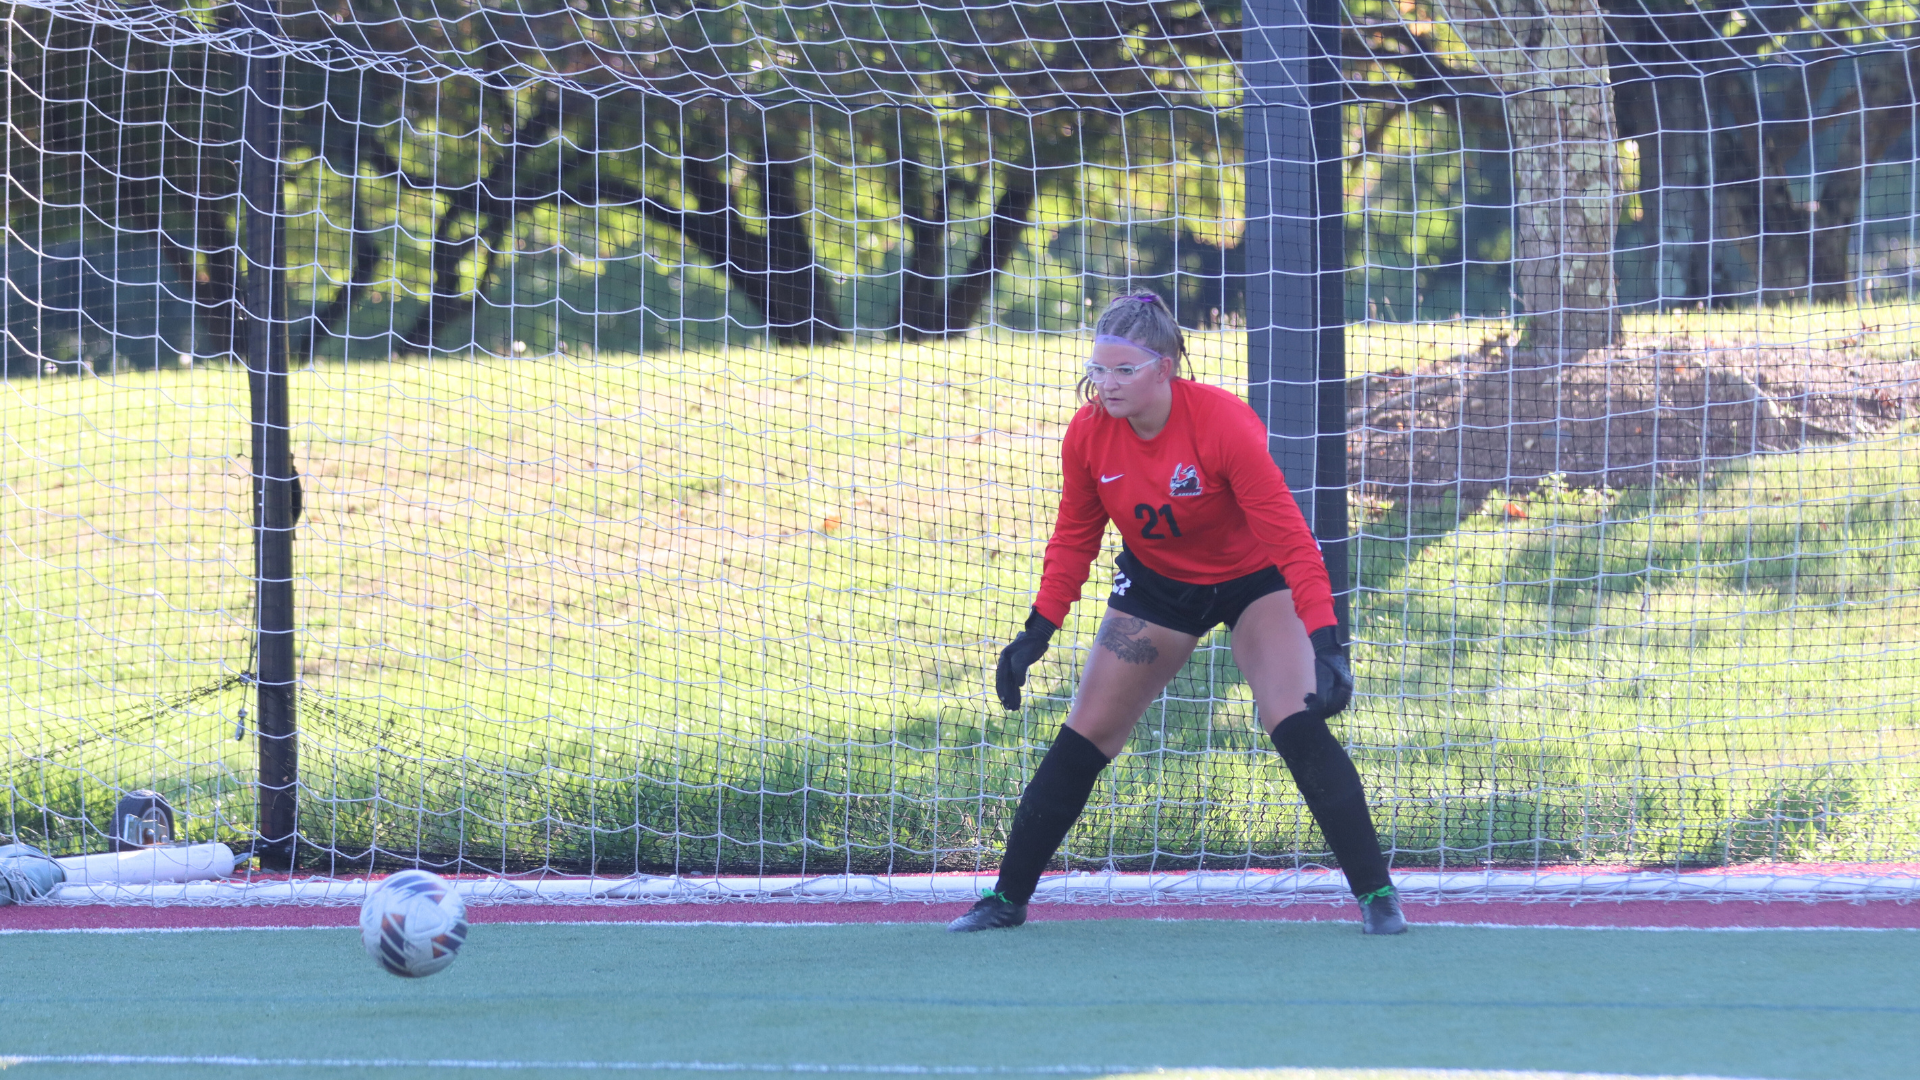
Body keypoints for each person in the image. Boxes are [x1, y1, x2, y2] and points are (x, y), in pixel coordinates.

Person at [950, 293, 1405, 935]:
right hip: (1158, 589)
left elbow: (1292, 540)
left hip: (1254, 583)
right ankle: (1005, 899)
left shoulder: (1223, 424)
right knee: (1088, 732)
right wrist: (1036, 633)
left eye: (1124, 371)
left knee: (1295, 718)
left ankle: (1377, 894)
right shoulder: (1087, 433)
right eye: (1098, 369)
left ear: (1165, 368)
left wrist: (1327, 642)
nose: (1106, 385)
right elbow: (1074, 538)